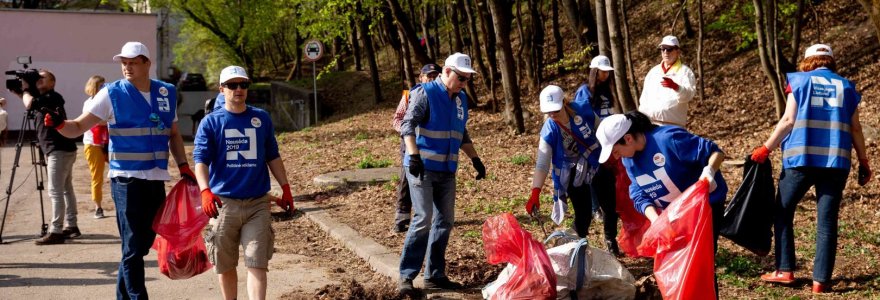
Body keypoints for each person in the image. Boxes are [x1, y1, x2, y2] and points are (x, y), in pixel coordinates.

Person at [44, 41, 194, 299]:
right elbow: (77, 127)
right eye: (124, 62)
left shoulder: (166, 92)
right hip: (126, 181)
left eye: (133, 62)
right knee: (134, 248)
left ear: (147, 63)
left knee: (142, 245)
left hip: (155, 179)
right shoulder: (110, 93)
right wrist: (59, 123)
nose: (127, 67)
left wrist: (183, 165)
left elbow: (174, 133)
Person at [752, 44, 872, 294]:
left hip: (801, 160)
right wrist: (863, 161)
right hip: (836, 163)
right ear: (830, 61)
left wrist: (766, 148)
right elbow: (856, 129)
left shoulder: (800, 81)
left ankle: (785, 269)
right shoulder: (846, 86)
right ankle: (821, 281)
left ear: (809, 62)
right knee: (827, 221)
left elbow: (788, 120)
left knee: (783, 211)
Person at [596, 111, 726, 294]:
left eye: (616, 150)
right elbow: (639, 193)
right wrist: (657, 221)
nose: (616, 157)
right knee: (680, 264)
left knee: (698, 262)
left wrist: (709, 172)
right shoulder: (629, 161)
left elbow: (715, 152)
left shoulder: (668, 139)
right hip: (674, 215)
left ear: (628, 138)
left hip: (705, 208)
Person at [194, 66, 294, 300]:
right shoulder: (210, 123)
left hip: (257, 203)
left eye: (243, 84)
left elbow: (272, 155)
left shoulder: (261, 118)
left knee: (257, 262)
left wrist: (286, 188)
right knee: (225, 264)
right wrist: (205, 191)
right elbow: (200, 160)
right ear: (222, 89)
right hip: (223, 204)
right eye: (232, 85)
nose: (238, 89)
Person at [398, 53, 486, 294]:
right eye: (460, 78)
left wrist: (475, 159)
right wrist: (413, 155)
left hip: (447, 169)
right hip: (422, 167)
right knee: (423, 218)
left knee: (444, 221)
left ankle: (435, 276)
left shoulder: (460, 100)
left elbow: (461, 133)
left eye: (467, 79)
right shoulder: (424, 93)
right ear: (446, 72)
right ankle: (406, 276)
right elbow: (407, 124)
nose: (463, 83)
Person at [11, 69, 79, 245]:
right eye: (37, 78)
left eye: (43, 78)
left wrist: (26, 90)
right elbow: (32, 104)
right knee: (65, 189)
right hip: (61, 149)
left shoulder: (52, 96)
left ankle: (56, 230)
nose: (39, 80)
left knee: (55, 191)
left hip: (59, 150)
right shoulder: (45, 99)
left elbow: (30, 104)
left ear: (52, 82)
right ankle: (71, 226)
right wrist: (22, 92)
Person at [525, 85, 600, 239]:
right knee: (584, 212)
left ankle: (607, 239)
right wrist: (535, 192)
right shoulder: (549, 129)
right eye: (549, 111)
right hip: (572, 170)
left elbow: (602, 129)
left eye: (556, 110)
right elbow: (542, 162)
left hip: (595, 160)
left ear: (564, 103)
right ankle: (574, 242)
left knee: (608, 204)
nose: (552, 114)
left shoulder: (582, 111)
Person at [390, 63, 441, 233]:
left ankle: (432, 215)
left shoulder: (442, 96)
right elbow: (397, 119)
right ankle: (402, 217)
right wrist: (407, 131)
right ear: (421, 77)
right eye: (429, 76)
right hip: (410, 142)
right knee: (408, 177)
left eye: (435, 75)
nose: (432, 79)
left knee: (432, 178)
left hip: (432, 144)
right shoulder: (409, 94)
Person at [580, 55, 621, 255]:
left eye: (607, 72)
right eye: (602, 71)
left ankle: (611, 238)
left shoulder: (607, 93)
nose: (605, 75)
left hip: (610, 147)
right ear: (594, 71)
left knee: (610, 197)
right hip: (593, 149)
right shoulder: (584, 92)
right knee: (594, 185)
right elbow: (582, 122)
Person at [637, 35, 696, 127]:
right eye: (663, 49)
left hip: (672, 126)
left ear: (678, 51)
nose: (665, 52)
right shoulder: (654, 72)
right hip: (650, 124)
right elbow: (644, 98)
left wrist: (676, 87)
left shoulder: (685, 72)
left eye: (669, 49)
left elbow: (688, 95)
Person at [82, 75, 109, 219]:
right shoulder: (89, 103)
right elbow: (99, 121)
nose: (104, 88)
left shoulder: (108, 101)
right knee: (97, 177)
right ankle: (98, 207)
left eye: (105, 85)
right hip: (93, 144)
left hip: (109, 142)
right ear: (94, 87)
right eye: (101, 86)